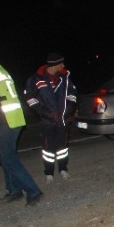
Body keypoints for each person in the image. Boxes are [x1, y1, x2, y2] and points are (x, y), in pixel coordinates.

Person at [25, 53, 77, 184]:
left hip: (62, 120)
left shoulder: (64, 77)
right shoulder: (36, 79)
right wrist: (41, 111)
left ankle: (63, 169)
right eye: (61, 63)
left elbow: (72, 93)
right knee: (48, 148)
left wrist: (69, 108)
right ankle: (49, 173)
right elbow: (29, 97)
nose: (64, 65)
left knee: (63, 148)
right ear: (55, 65)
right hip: (47, 121)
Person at [0, 63, 43, 206]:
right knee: (5, 158)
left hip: (7, 121)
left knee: (9, 159)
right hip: (7, 119)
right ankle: (14, 190)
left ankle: (34, 191)